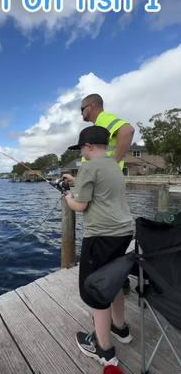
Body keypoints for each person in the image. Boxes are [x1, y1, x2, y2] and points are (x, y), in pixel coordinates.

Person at [64, 125, 134, 366]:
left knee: (97, 289)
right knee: (114, 280)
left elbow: (80, 206)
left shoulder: (88, 167)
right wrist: (77, 181)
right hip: (124, 233)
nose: (81, 151)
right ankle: (121, 328)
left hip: (102, 237)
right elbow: (101, 189)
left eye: (82, 147)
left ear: (89, 146)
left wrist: (67, 197)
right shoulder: (114, 165)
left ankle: (103, 349)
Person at [65, 93, 135, 294]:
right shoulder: (97, 162)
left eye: (82, 109)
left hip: (101, 227)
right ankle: (117, 282)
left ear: (92, 106)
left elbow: (128, 130)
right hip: (113, 205)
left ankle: (106, 290)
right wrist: (77, 181)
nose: (81, 113)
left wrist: (112, 162)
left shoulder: (104, 119)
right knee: (112, 260)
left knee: (94, 279)